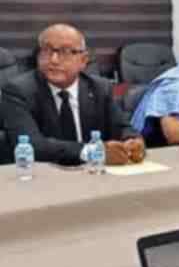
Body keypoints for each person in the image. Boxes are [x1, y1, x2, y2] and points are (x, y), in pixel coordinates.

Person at [2, 24, 144, 166]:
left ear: (83, 60)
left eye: (65, 52)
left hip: (93, 173)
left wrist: (131, 140)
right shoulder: (18, 91)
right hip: (45, 174)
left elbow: (121, 127)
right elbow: (33, 145)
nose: (54, 60)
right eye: (46, 50)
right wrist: (91, 152)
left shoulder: (99, 88)